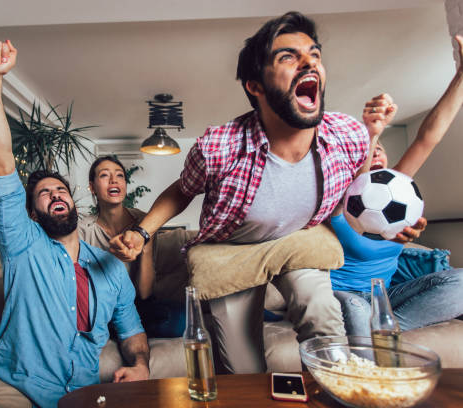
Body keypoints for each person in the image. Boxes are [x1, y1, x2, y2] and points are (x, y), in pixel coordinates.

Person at [110, 11, 423, 373]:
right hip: (231, 254)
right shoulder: (219, 147)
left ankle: (338, 389)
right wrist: (141, 231)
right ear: (255, 86)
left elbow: (358, 197)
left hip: (300, 241)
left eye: (315, 54)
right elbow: (182, 190)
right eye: (288, 57)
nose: (309, 62)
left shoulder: (348, 135)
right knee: (241, 367)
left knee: (323, 321)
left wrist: (386, 227)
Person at [0, 39, 149, 408]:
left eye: (60, 189)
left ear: (74, 201)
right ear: (33, 213)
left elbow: (132, 331)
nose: (55, 195)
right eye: (43, 193)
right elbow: (0, 168)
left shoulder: (111, 269)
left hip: (79, 395)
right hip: (15, 388)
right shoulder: (23, 244)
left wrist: (141, 364)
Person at [331, 35, 463, 337]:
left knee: (461, 282)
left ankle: (385, 333)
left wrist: (461, 76)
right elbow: (360, 186)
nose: (376, 152)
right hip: (341, 298)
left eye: (380, 150)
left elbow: (428, 138)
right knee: (356, 309)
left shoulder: (399, 190)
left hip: (384, 298)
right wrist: (371, 134)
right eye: (369, 151)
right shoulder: (339, 201)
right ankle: (375, 339)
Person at [78, 156, 185, 337]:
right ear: (92, 187)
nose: (114, 180)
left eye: (120, 176)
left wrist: (145, 244)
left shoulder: (146, 223)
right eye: (104, 175)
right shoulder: (81, 231)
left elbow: (145, 293)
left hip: (141, 307)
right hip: (104, 309)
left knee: (182, 319)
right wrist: (113, 257)